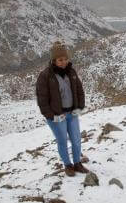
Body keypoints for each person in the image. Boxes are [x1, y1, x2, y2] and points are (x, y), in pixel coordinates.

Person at [35, 41, 88, 177]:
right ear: (53, 60)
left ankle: (77, 163)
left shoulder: (72, 72)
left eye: (65, 59)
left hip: (72, 113)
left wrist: (79, 107)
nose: (63, 62)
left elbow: (79, 90)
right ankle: (68, 165)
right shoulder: (45, 76)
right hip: (57, 116)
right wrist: (52, 116)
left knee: (76, 140)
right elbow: (42, 100)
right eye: (60, 60)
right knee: (62, 141)